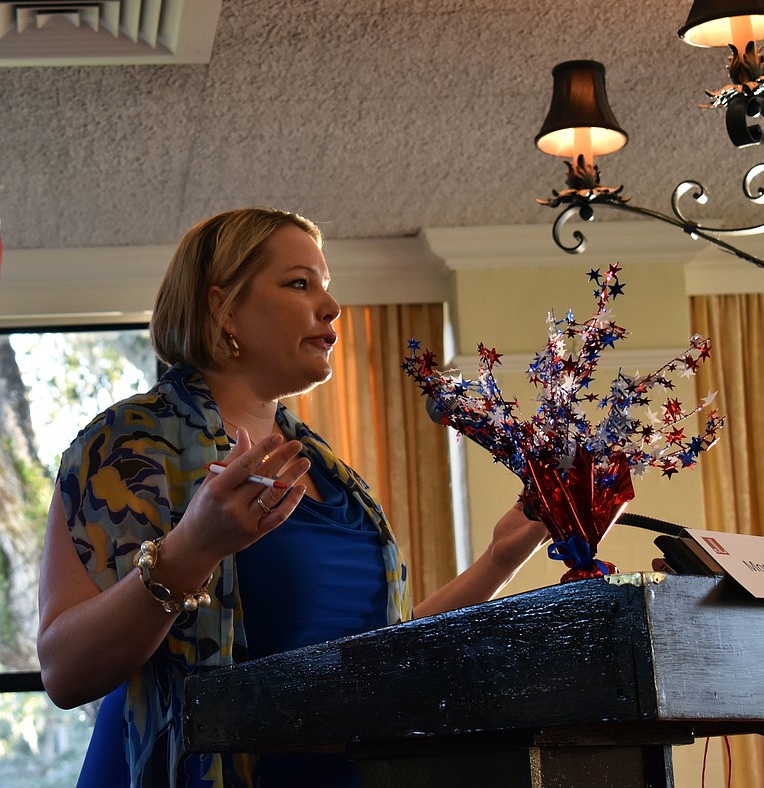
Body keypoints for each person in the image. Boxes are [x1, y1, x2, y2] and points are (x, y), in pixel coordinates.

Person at [37, 207, 549, 788]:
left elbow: (380, 656)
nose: (330, 306)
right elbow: (64, 671)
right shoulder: (124, 446)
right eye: (299, 283)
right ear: (223, 307)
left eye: (326, 286)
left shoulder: (333, 477)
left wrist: (500, 558)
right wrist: (192, 551)